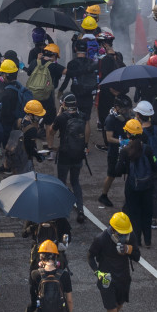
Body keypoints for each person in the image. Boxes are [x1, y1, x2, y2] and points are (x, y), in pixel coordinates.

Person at [88, 212, 141, 312]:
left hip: (124, 279)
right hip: (107, 281)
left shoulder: (130, 237)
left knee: (118, 307)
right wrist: (97, 273)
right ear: (112, 229)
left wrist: (128, 249)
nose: (125, 236)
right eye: (122, 233)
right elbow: (90, 256)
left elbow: (137, 256)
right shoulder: (101, 239)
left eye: (126, 233)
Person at [115, 120, 157, 247]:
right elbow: (155, 167)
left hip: (132, 186)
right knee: (147, 212)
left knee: (134, 214)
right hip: (147, 186)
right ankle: (148, 241)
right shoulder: (147, 149)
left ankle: (137, 241)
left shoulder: (125, 151)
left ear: (128, 134)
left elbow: (117, 171)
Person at [50, 94, 88, 223]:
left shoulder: (61, 118)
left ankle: (62, 212)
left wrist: (58, 113)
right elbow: (86, 132)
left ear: (64, 104)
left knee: (62, 182)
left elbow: (51, 131)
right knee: (75, 182)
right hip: (78, 154)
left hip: (65, 155)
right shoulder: (82, 115)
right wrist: (85, 146)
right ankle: (81, 210)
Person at [99, 95, 133, 207]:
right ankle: (103, 195)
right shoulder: (110, 119)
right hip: (114, 151)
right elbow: (109, 138)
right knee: (111, 174)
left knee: (130, 173)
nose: (126, 111)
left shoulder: (126, 117)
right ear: (117, 107)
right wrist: (122, 141)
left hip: (126, 150)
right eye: (124, 109)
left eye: (128, 109)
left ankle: (130, 197)